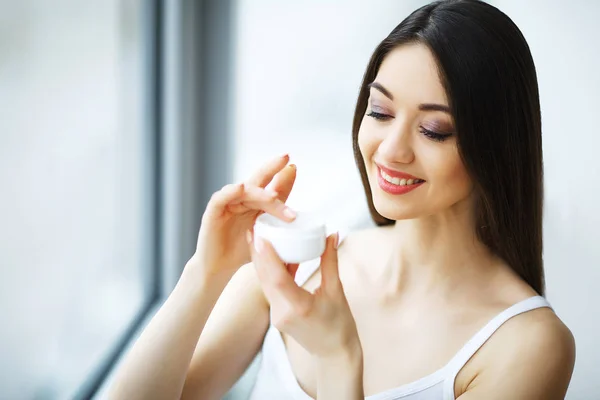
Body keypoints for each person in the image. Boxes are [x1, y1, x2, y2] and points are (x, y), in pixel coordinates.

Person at [108, 0, 576, 399]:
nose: (391, 150)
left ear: (496, 146)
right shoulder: (296, 270)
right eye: (380, 111)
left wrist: (338, 360)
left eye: (433, 130)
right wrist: (204, 275)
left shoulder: (527, 344)